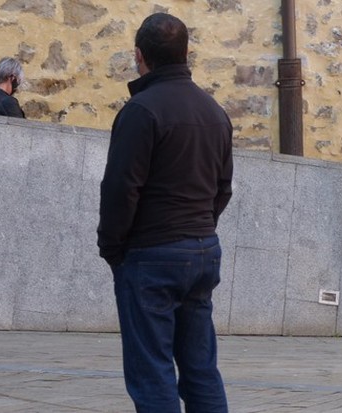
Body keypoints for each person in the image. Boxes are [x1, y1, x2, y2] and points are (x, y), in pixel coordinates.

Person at [97, 13, 233, 413]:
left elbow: (122, 188)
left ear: (140, 56)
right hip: (202, 248)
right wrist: (201, 230)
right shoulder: (214, 112)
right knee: (201, 369)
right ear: (185, 54)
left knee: (152, 372)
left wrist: (113, 249)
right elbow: (223, 187)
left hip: (152, 254)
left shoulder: (141, 110)